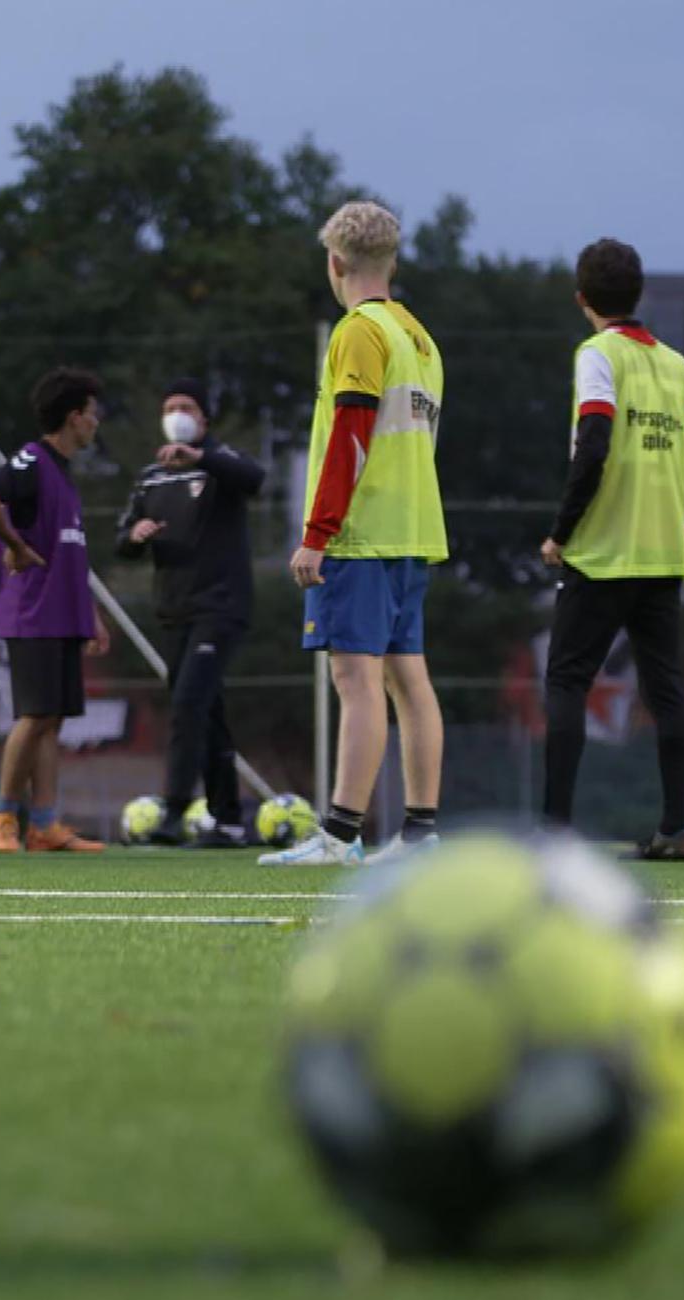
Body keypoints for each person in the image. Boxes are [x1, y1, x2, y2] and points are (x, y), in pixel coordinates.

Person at [262, 200, 447, 869]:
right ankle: (421, 834)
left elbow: (351, 432)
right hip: (413, 527)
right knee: (409, 680)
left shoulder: (357, 332)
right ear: (391, 261)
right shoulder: (419, 337)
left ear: (335, 263)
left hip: (362, 534)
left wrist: (318, 531)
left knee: (355, 679)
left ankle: (340, 834)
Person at [540, 238, 684, 860]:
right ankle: (677, 829)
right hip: (662, 552)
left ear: (583, 300)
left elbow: (595, 444)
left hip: (603, 550)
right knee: (667, 691)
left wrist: (562, 530)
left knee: (566, 681)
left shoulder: (596, 354)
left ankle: (553, 833)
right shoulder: (678, 365)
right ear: (639, 294)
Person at [0, 367, 113, 854]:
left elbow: (70, 549)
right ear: (75, 417)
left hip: (63, 611)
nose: (97, 422)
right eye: (93, 414)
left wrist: (89, 612)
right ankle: (3, 815)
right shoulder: (31, 460)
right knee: (33, 715)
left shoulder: (64, 474)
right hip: (32, 611)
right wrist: (14, 543)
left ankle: (45, 824)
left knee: (52, 718)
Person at [113, 377, 264, 848]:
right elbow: (123, 541)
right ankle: (228, 821)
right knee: (206, 712)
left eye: (186, 406)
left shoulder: (220, 464)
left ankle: (174, 809)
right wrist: (135, 535)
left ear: (203, 419)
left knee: (187, 703)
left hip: (220, 607)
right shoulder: (151, 476)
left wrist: (202, 458)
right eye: (170, 406)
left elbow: (254, 478)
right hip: (173, 610)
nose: (176, 413)